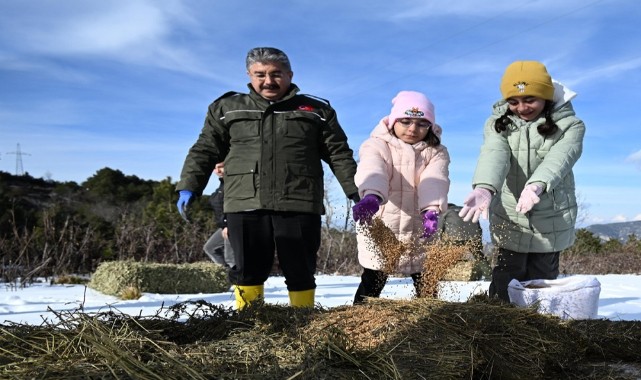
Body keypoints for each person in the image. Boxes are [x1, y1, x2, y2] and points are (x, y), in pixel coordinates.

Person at [176, 47, 359, 309]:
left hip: (298, 200)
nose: (269, 81)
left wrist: (356, 191)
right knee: (248, 269)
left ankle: (303, 324)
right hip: (244, 201)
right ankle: (250, 324)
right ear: (249, 75)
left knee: (300, 270)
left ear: (289, 75)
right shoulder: (227, 108)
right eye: (259, 74)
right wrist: (189, 186)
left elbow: (338, 153)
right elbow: (205, 149)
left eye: (276, 74)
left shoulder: (316, 110)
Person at [459, 60, 585, 302]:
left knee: (542, 281)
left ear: (546, 97)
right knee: (506, 277)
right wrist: (485, 187)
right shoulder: (499, 124)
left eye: (530, 100)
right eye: (513, 101)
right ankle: (497, 323)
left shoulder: (570, 125)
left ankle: (540, 329)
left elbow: (560, 159)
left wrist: (537, 185)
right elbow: (494, 153)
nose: (522, 107)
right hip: (510, 214)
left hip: (551, 214)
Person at [351, 90, 450, 305]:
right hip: (381, 225)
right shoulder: (376, 145)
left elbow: (434, 179)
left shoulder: (436, 151)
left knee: (426, 281)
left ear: (430, 126)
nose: (413, 129)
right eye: (405, 121)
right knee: (373, 279)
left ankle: (432, 321)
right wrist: (371, 196)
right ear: (393, 121)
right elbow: (373, 169)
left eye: (422, 123)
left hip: (420, 226)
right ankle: (357, 319)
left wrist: (431, 209)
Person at [202, 163, 235, 269]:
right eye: (214, 168)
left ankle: (240, 283)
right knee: (210, 248)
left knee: (230, 257)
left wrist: (228, 224)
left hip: (232, 224)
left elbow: (234, 205)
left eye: (220, 167)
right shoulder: (222, 184)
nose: (217, 171)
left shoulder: (233, 183)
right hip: (224, 225)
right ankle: (227, 278)